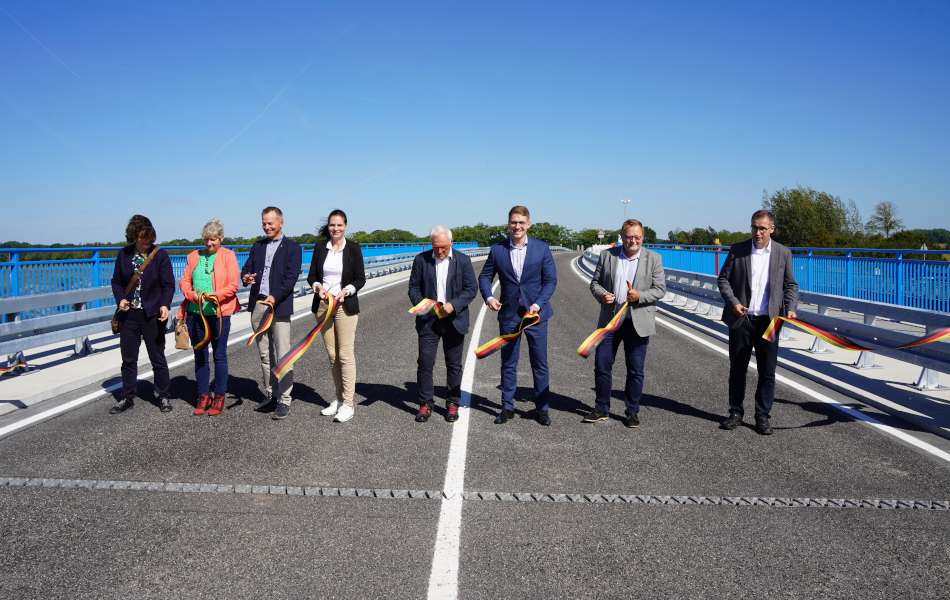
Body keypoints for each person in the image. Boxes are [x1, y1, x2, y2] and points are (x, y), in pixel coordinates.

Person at [717, 209, 799, 435]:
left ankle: (762, 416)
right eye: (754, 227)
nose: (758, 232)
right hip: (742, 320)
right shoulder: (738, 249)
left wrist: (791, 308)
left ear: (772, 229)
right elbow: (723, 280)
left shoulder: (783, 252)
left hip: (770, 322)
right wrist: (734, 302)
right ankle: (735, 413)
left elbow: (790, 285)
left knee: (767, 372)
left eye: (762, 228)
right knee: (737, 370)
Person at [478, 205, 557, 425]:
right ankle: (507, 407)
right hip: (509, 314)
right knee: (508, 363)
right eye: (514, 222)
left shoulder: (541, 248)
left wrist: (538, 304)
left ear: (528, 224)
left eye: (521, 222)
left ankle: (542, 409)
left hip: (535, 316)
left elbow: (550, 280)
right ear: (508, 224)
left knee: (539, 363)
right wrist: (489, 297)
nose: (517, 226)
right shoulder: (497, 249)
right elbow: (484, 277)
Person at [586, 219, 666, 427]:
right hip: (610, 321)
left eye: (637, 237)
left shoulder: (653, 258)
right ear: (621, 236)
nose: (633, 241)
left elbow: (660, 289)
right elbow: (595, 283)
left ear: (642, 237)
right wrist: (601, 295)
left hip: (637, 323)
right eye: (629, 237)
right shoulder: (608, 255)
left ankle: (632, 411)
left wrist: (640, 296)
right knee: (602, 366)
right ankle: (601, 408)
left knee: (635, 370)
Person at [407, 225, 478, 423]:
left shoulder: (463, 260)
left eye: (444, 247)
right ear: (431, 244)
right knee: (425, 363)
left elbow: (471, 289)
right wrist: (424, 305)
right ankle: (425, 404)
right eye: (436, 247)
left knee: (454, 365)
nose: (440, 251)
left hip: (454, 320)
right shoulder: (421, 260)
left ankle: (453, 404)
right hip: (428, 320)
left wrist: (453, 305)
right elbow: (413, 288)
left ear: (451, 242)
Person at [241, 207, 303, 420]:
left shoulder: (293, 248)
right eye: (264, 223)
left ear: (281, 223)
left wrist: (274, 297)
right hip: (258, 304)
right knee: (265, 354)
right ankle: (272, 394)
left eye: (270, 223)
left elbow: (291, 278)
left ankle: (285, 399)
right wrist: (246, 277)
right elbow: (247, 268)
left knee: (283, 354)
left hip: (279, 305)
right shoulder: (257, 246)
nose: (266, 227)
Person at [110, 215, 175, 414]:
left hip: (152, 314)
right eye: (143, 238)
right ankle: (127, 397)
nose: (147, 241)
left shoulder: (160, 255)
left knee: (157, 357)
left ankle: (163, 395)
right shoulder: (123, 254)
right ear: (134, 236)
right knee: (129, 359)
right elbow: (116, 282)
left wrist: (164, 305)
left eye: (150, 237)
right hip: (129, 315)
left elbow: (168, 285)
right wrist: (120, 299)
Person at [177, 218, 241, 416]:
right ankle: (203, 395)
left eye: (213, 239)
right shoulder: (193, 256)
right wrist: (191, 295)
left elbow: (233, 285)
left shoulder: (228, 256)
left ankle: (219, 396)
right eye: (206, 239)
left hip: (219, 314)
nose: (209, 243)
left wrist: (215, 296)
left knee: (219, 355)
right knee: (199, 355)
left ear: (221, 238)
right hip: (195, 313)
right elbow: (184, 282)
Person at [307, 209, 366, 423]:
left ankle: (349, 404)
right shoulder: (320, 247)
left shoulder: (353, 248)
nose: (336, 228)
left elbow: (360, 278)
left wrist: (346, 291)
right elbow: (312, 275)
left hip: (344, 305)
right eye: (332, 225)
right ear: (328, 226)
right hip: (324, 305)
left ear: (346, 226)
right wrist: (318, 287)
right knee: (332, 355)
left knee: (345, 354)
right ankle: (339, 399)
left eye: (340, 225)